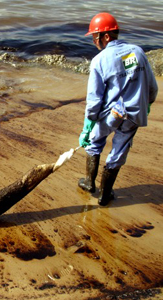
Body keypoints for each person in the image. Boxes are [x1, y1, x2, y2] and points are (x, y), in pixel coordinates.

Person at [78, 12, 158, 206]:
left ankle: (89, 182)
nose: (94, 42)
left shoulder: (99, 60)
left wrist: (89, 124)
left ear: (106, 36)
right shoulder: (137, 52)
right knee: (118, 152)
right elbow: (152, 87)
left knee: (95, 142)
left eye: (95, 37)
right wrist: (147, 104)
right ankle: (105, 195)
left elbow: (94, 98)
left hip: (108, 115)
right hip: (132, 115)